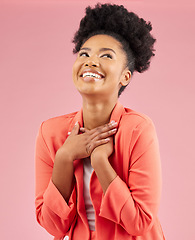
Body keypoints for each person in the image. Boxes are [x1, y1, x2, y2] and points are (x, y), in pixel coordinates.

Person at [35, 3, 165, 240]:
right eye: (84, 54)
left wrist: (100, 163)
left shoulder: (138, 130)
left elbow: (140, 222)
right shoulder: (50, 133)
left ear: (125, 76)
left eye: (106, 55)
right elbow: (53, 226)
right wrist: (64, 157)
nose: (90, 61)